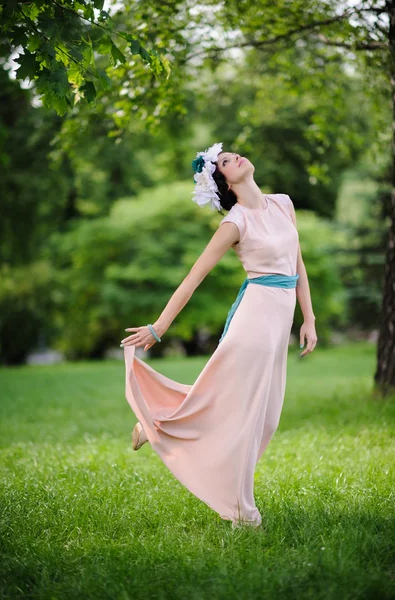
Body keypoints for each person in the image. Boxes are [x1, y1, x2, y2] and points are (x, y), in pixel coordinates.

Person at [121, 142, 318, 528]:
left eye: (233, 155)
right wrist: (158, 327)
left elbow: (298, 264)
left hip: (280, 319)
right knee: (242, 413)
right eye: (225, 162)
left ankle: (158, 422)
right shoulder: (235, 223)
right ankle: (242, 512)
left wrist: (308, 318)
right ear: (224, 185)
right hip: (256, 319)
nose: (236, 158)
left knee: (266, 419)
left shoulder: (283, 203)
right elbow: (194, 278)